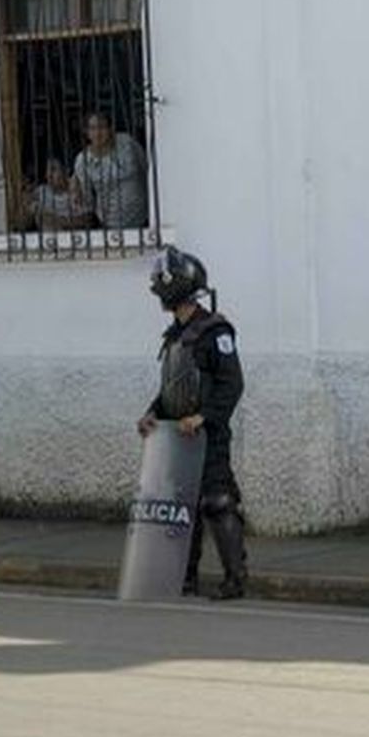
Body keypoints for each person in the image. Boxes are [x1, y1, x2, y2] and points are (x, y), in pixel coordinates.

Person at [136, 247, 247, 599]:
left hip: (207, 435)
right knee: (182, 509)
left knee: (217, 502)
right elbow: (171, 387)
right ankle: (185, 577)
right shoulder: (173, 336)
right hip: (177, 437)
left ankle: (235, 579)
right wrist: (152, 413)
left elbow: (232, 385)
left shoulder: (216, 331)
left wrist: (204, 417)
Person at [71, 112, 148, 228]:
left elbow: (145, 167)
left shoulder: (126, 142)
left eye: (102, 127)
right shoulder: (83, 160)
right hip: (110, 224)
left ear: (111, 129)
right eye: (92, 128)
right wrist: (75, 187)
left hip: (143, 217)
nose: (97, 133)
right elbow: (88, 198)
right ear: (87, 133)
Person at [22, 160, 90, 232]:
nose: (49, 175)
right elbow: (25, 214)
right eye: (47, 171)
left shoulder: (77, 192)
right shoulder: (41, 192)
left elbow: (88, 220)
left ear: (66, 170)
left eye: (53, 169)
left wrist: (57, 220)